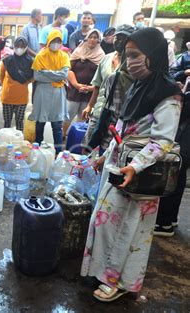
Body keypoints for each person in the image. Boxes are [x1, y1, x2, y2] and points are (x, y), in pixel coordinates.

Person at [81, 27, 181, 302]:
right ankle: (103, 272)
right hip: (119, 166)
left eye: (136, 55)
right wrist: (106, 155)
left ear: (154, 55)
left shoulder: (169, 94)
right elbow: (123, 129)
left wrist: (135, 167)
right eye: (127, 55)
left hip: (140, 175)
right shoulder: (138, 86)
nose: (130, 61)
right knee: (106, 223)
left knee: (128, 229)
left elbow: (163, 142)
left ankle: (118, 281)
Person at [155, 41, 190, 236]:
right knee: (179, 172)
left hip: (185, 134)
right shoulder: (183, 61)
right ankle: (170, 218)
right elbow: (174, 73)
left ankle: (165, 221)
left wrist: (179, 100)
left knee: (175, 170)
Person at [82, 24, 135, 149]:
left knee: (108, 149)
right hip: (99, 109)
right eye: (117, 38)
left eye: (124, 38)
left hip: (118, 115)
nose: (119, 41)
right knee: (88, 145)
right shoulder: (106, 58)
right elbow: (97, 85)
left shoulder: (133, 63)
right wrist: (90, 106)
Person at [30, 29, 70, 153]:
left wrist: (46, 72)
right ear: (48, 41)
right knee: (40, 123)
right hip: (42, 93)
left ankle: (58, 152)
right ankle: (37, 149)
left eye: (59, 41)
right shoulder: (40, 55)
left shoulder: (64, 56)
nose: (56, 43)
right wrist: (55, 75)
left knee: (57, 124)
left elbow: (64, 75)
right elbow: (37, 76)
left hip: (58, 93)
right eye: (54, 40)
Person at [65, 29, 105, 134]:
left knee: (83, 118)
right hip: (74, 91)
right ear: (86, 39)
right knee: (68, 116)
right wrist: (76, 85)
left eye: (95, 38)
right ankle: (63, 136)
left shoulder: (101, 56)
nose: (92, 40)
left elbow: (103, 77)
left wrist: (92, 88)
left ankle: (75, 138)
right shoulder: (78, 52)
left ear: (99, 41)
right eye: (90, 37)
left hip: (90, 94)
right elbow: (69, 69)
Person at [0, 36, 34, 131]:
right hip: (7, 97)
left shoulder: (31, 62)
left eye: (22, 46)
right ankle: (6, 142)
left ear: (26, 47)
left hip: (21, 98)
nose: (19, 48)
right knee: (7, 122)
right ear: (14, 46)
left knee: (19, 122)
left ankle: (19, 143)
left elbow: (33, 77)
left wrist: (24, 82)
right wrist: (8, 85)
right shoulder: (6, 61)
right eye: (17, 45)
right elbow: (1, 76)